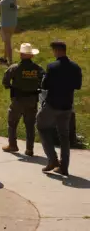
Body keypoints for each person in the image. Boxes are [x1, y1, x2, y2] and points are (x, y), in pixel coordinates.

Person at [37, 40, 82, 177]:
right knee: (64, 136)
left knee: (41, 127)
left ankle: (52, 159)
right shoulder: (75, 67)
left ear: (57, 51)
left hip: (52, 105)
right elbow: (78, 86)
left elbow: (44, 85)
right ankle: (64, 166)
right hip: (67, 106)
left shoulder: (52, 67)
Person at [2, 43, 44, 156]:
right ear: (32, 56)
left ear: (20, 54)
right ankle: (29, 149)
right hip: (32, 100)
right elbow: (44, 82)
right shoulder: (38, 69)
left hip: (18, 100)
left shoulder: (14, 68)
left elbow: (5, 81)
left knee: (12, 122)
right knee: (30, 125)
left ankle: (12, 144)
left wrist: (11, 87)